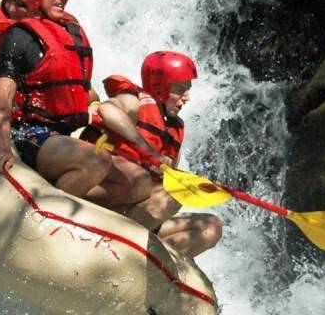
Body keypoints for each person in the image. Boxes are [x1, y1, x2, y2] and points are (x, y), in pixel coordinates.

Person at [0, 0, 160, 199]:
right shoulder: (18, 37)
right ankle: (48, 210)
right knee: (96, 160)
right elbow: (2, 102)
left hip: (63, 137)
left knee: (139, 181)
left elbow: (81, 91)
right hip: (29, 134)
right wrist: (2, 147)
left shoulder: (71, 31)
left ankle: (77, 212)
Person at [87, 51, 223, 258]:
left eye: (188, 89)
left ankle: (150, 264)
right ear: (159, 88)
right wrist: (148, 152)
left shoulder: (175, 128)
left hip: (134, 213)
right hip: (106, 194)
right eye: (180, 90)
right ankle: (115, 251)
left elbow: (166, 178)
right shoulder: (134, 101)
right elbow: (106, 110)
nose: (186, 97)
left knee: (211, 226)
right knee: (171, 195)